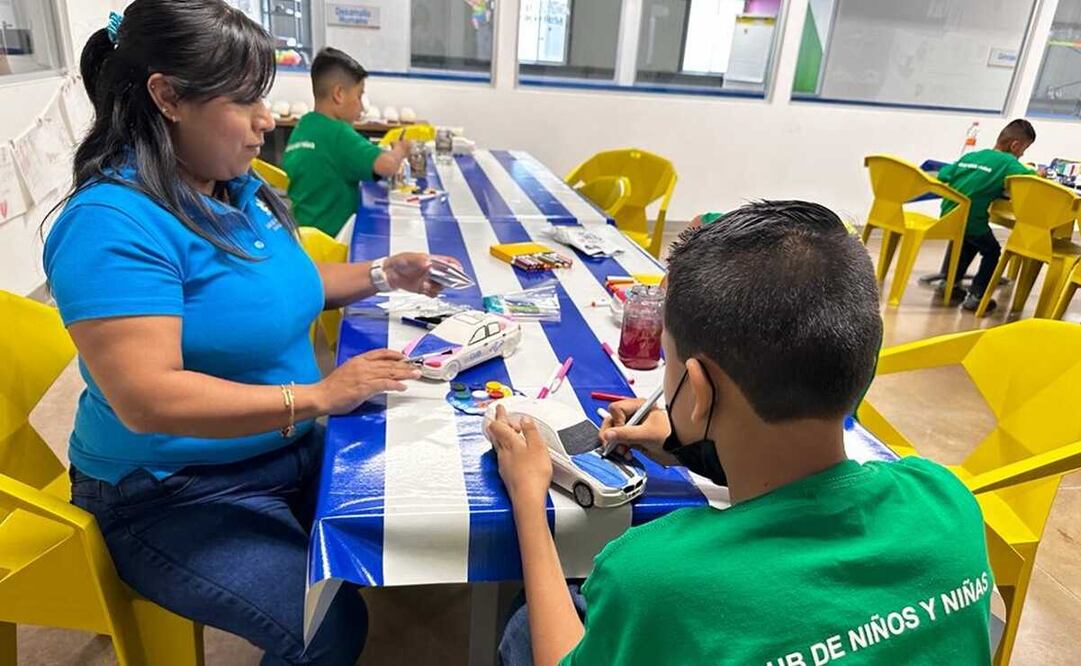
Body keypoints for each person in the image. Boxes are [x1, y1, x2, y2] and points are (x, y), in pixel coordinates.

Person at [44, 2, 456, 663]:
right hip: (171, 491)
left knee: (417, 489)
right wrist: (321, 396)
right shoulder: (112, 223)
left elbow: (282, 293)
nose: (268, 120)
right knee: (326, 626)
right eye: (245, 101)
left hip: (275, 450)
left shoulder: (230, 188)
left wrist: (386, 272)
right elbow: (149, 400)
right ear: (168, 97)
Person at [489, 201, 994, 665]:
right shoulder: (947, 501)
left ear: (700, 390)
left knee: (522, 625)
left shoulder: (654, 577)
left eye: (669, 363)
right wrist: (691, 448)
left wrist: (529, 497)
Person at [283, 47, 408, 238]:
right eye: (359, 95)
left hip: (303, 237)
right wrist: (401, 149)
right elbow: (387, 165)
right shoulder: (338, 133)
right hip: (334, 241)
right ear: (339, 94)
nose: (361, 106)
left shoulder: (304, 125)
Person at [936, 119, 1036, 313]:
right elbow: (1029, 180)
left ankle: (949, 282)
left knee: (970, 242)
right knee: (991, 251)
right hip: (972, 220)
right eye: (1024, 149)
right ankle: (977, 296)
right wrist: (1035, 170)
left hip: (949, 216)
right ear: (1015, 145)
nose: (1023, 154)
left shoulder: (973, 156)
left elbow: (943, 174)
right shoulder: (1008, 162)